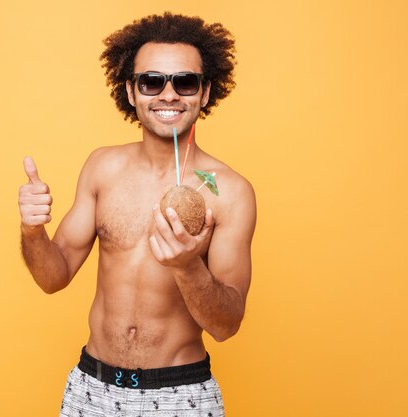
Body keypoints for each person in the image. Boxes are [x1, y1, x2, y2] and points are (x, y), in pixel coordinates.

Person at [19, 12, 256, 416]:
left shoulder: (231, 193)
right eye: (152, 81)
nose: (169, 95)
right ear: (131, 91)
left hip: (180, 396)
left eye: (185, 82)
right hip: (91, 390)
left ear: (204, 92)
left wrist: (186, 266)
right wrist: (32, 231)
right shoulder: (102, 168)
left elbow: (226, 325)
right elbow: (52, 278)